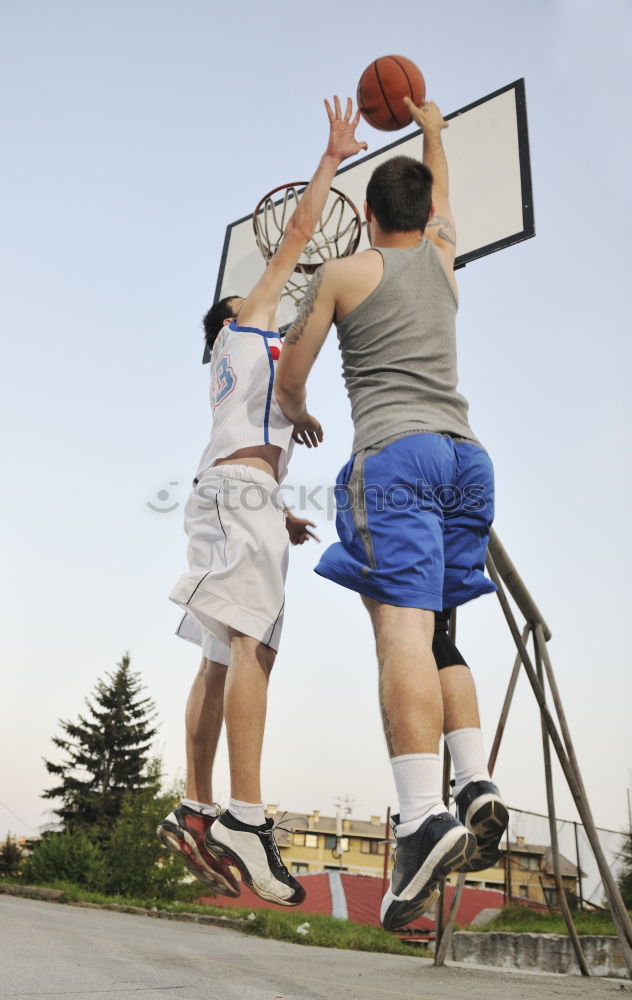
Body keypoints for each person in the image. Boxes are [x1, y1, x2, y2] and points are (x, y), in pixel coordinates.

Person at [274, 97, 509, 929]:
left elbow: (291, 375)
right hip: (466, 459)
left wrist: (297, 408)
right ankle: (473, 778)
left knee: (400, 632)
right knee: (441, 629)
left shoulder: (344, 273)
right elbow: (446, 206)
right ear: (426, 217)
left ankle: (421, 818)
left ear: (369, 215)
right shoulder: (445, 263)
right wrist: (436, 132)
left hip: (399, 454)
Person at [158, 97, 367, 907]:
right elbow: (291, 238)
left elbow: (246, 442)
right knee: (255, 647)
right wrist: (332, 158)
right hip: (237, 494)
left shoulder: (237, 373)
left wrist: (277, 512)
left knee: (224, 653)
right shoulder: (245, 323)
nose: (274, 301)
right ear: (236, 317)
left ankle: (199, 804)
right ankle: (244, 814)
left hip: (244, 496)